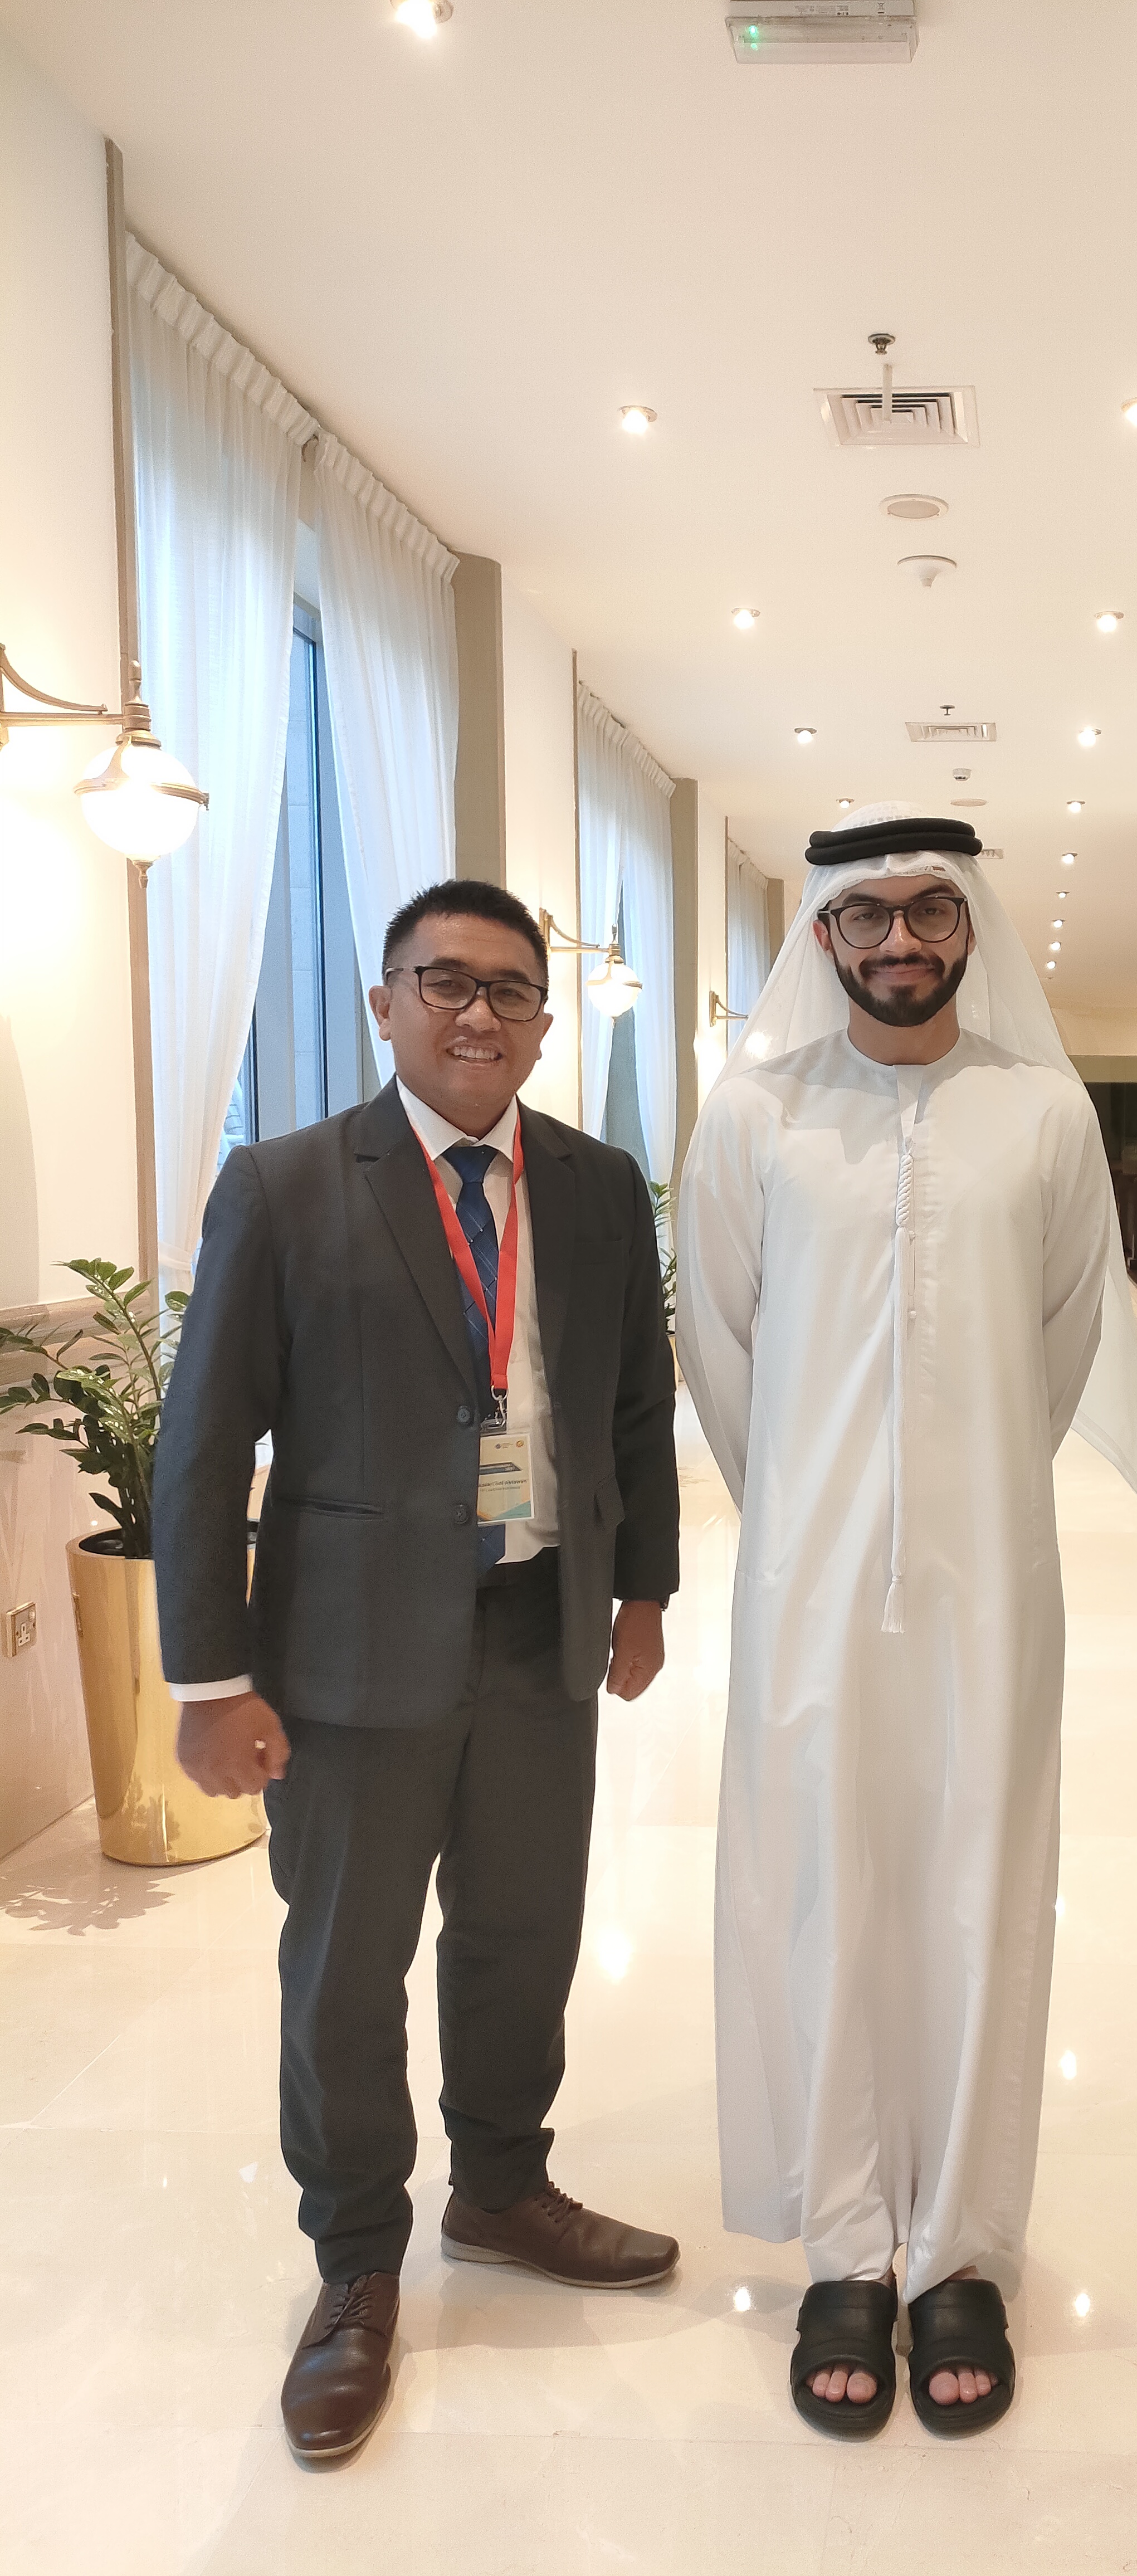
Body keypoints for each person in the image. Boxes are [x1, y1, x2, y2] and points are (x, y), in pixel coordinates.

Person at [153, 878, 681, 2466]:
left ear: (542, 1021)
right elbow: (202, 1444)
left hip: (537, 1632)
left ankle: (503, 2186)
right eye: (443, 982)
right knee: (345, 1966)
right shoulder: (286, 1184)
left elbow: (633, 1404)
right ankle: (356, 2261)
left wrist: (643, 1589)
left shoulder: (595, 1186)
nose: (476, 1013)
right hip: (346, 1659)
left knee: (522, 1934)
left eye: (510, 989)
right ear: (385, 1002)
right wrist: (207, 1678)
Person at [676, 804, 1137, 2441]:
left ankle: (958, 2251)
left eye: (930, 912)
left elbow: (1062, 1337)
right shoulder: (753, 1114)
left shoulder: (1041, 1114)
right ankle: (843, 2248)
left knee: (980, 1892)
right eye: (867, 915)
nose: (900, 941)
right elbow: (722, 1349)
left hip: (988, 1584)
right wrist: (814, 1520)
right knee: (818, 1890)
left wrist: (962, 1495)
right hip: (806, 1590)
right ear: (822, 933)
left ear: (969, 927)